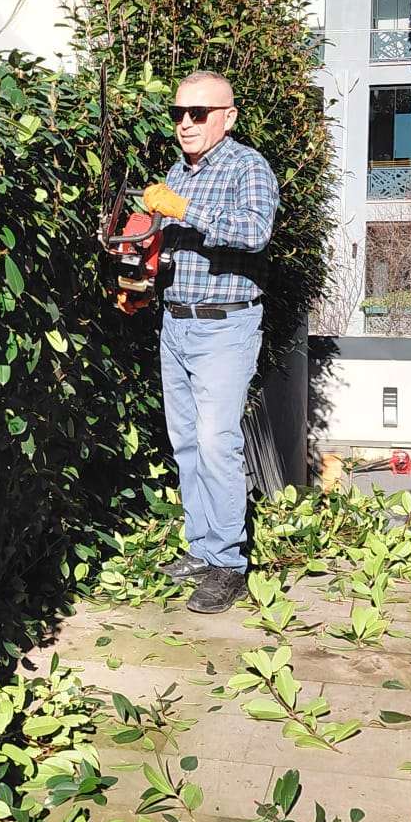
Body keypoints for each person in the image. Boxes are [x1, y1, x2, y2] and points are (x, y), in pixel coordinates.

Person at [142, 71, 279, 612]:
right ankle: (201, 547)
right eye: (179, 113)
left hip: (225, 326)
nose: (185, 123)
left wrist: (182, 209)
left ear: (228, 117)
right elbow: (173, 250)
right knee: (187, 443)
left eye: (198, 113)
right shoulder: (179, 170)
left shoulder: (249, 168)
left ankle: (228, 564)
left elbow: (254, 233)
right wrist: (140, 275)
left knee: (217, 441)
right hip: (175, 323)